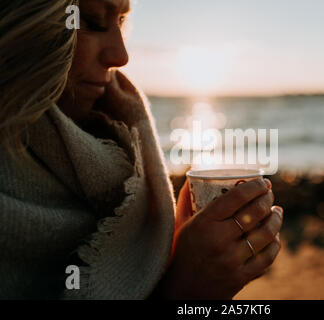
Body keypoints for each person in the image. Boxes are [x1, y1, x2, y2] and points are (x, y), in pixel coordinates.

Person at [0, 0, 284, 299]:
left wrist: (175, 249)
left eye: (121, 23)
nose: (121, 56)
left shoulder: (121, 130)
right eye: (95, 22)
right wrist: (187, 290)